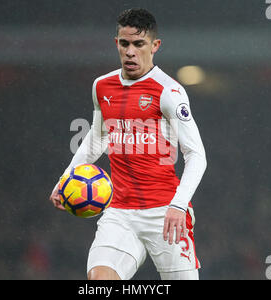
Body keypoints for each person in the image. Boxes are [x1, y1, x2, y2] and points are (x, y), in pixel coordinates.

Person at [49, 8, 207, 280]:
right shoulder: (102, 86)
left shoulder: (169, 92)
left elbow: (196, 155)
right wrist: (66, 178)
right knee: (99, 281)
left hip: (165, 213)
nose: (130, 52)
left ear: (155, 46)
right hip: (119, 212)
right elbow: (98, 137)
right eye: (124, 44)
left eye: (139, 44)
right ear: (116, 44)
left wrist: (179, 205)